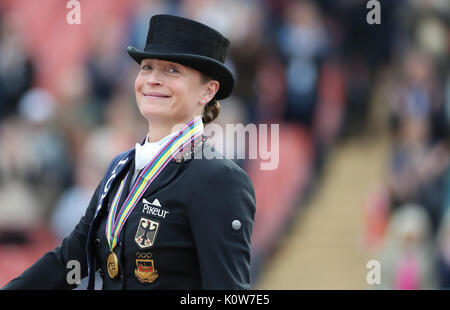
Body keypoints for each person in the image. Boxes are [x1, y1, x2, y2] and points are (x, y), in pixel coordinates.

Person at [2, 14, 256, 290]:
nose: (153, 80)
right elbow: (68, 259)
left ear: (208, 91)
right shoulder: (119, 168)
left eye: (172, 70)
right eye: (147, 67)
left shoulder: (219, 179)